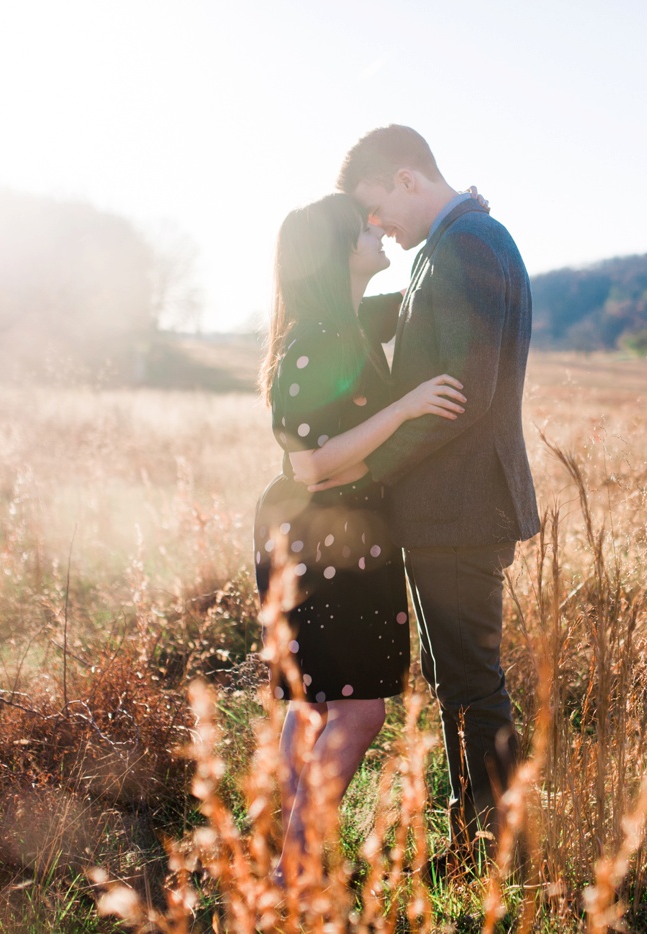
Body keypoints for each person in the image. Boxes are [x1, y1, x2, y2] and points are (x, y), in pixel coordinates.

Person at [331, 125, 541, 854]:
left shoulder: (470, 246)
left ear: (408, 179)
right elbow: (405, 328)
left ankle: (490, 849)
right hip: (449, 510)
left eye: (378, 208)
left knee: (473, 687)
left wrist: (366, 473)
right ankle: (476, 839)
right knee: (460, 684)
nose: (379, 226)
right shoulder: (448, 247)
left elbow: (468, 394)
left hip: (461, 508)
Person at [253, 192, 468, 879]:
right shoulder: (318, 340)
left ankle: (287, 860)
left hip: (332, 534)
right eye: (364, 227)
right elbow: (310, 464)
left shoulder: (345, 321)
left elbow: (421, 294)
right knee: (359, 711)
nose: (378, 231)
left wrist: (457, 227)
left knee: (315, 704)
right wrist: (405, 408)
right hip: (328, 538)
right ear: (337, 251)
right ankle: (299, 863)